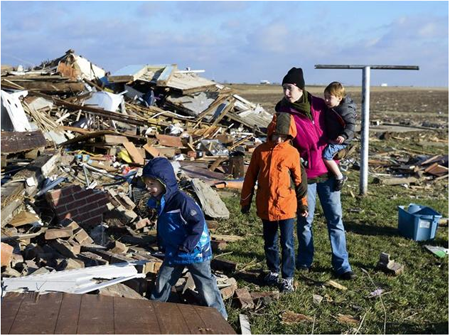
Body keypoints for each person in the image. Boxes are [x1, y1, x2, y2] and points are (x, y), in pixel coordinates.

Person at [273, 67, 356, 280]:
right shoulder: (285, 112)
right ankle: (304, 260)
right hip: (305, 174)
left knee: (335, 220)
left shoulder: (321, 104)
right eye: (284, 89)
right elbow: (281, 141)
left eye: (289, 88)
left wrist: (344, 147)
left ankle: (342, 265)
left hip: (327, 172)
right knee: (304, 220)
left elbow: (345, 122)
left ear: (300, 88)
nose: (286, 93)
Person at [142, 157, 228, 319]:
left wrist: (188, 244)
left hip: (195, 251)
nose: (148, 188)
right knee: (164, 279)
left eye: (152, 184)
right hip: (176, 250)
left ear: (164, 182)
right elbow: (166, 226)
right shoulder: (162, 201)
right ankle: (155, 308)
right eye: (147, 184)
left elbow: (198, 223)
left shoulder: (182, 201)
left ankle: (219, 316)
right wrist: (162, 244)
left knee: (205, 283)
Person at [240, 112, 308, 293]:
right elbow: (249, 178)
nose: (279, 139)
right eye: (276, 135)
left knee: (287, 243)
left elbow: (300, 181)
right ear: (270, 132)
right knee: (269, 241)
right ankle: (273, 271)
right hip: (265, 204)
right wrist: (245, 202)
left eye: (283, 136)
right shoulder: (260, 151)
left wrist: (303, 204)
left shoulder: (292, 153)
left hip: (286, 205)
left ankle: (287, 277)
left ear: (289, 136)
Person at [323, 81, 356, 191]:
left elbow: (351, 125)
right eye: (325, 97)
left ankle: (339, 176)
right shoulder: (331, 108)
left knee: (326, 156)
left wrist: (344, 136)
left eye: (329, 98)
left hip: (341, 141)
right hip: (334, 138)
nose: (326, 100)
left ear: (339, 98)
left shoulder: (343, 110)